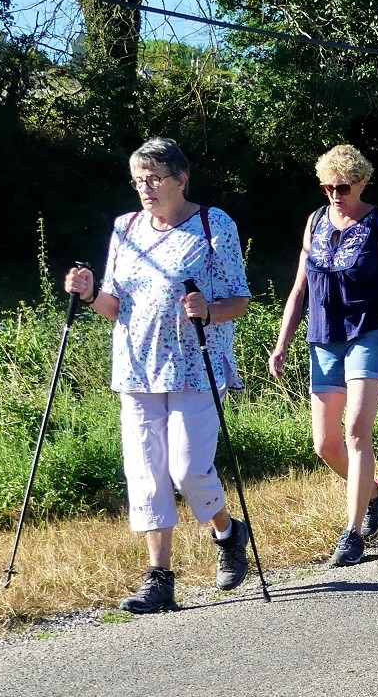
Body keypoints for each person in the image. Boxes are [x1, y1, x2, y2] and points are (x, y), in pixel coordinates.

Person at [63, 137, 252, 613]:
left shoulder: (213, 224)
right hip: (137, 366)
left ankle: (228, 534)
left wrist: (208, 310)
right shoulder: (125, 227)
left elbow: (240, 300)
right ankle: (159, 579)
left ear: (181, 179)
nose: (144, 188)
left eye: (154, 179)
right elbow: (114, 303)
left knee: (188, 469)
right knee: (146, 474)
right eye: (138, 180)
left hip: (195, 365)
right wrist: (87, 295)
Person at [268, 145, 378, 568]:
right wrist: (281, 343)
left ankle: (352, 533)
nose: (335, 194)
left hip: (370, 332)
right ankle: (376, 492)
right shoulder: (315, 221)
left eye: (343, 186)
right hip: (323, 337)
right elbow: (299, 288)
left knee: (357, 430)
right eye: (327, 186)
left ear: (361, 182)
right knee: (325, 444)